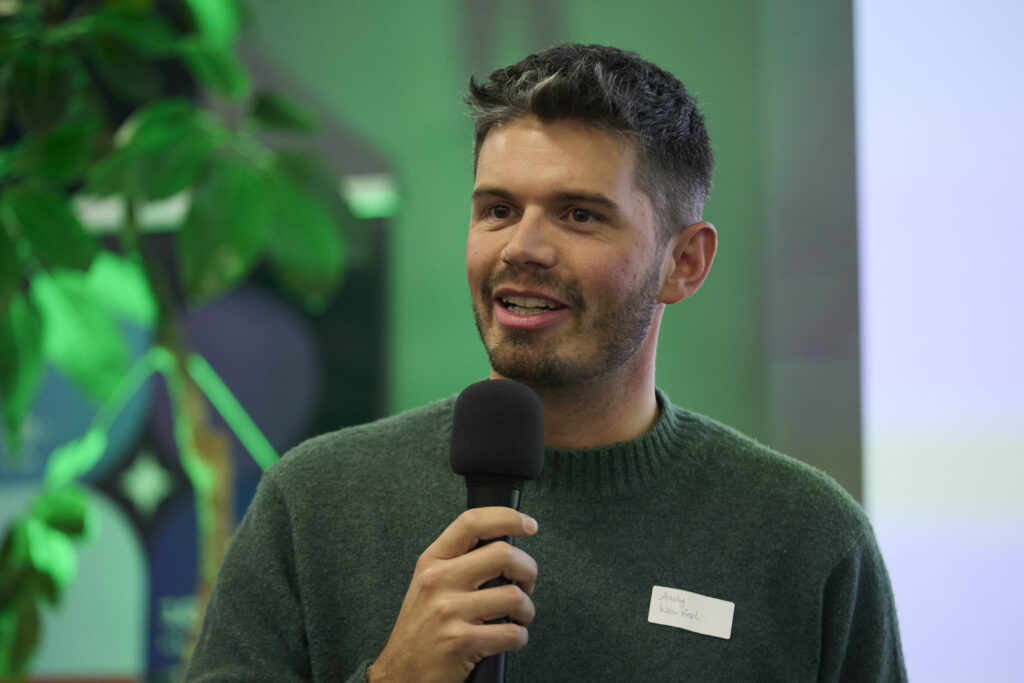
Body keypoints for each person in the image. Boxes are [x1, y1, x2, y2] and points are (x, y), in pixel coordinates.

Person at [186, 44, 906, 682]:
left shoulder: (805, 538)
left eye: (579, 215)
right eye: (498, 209)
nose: (521, 248)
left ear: (684, 262)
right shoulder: (313, 504)